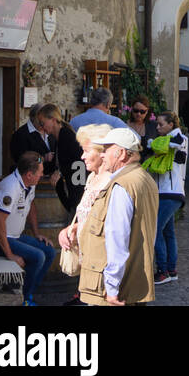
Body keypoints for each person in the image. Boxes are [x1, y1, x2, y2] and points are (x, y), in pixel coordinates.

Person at [78, 127, 159, 307]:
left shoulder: (122, 185)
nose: (103, 155)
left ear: (121, 153)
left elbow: (117, 238)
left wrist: (112, 287)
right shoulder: (144, 178)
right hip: (135, 280)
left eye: (106, 149)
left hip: (118, 287)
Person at [0, 152, 56, 307]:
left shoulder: (29, 184)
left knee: (49, 251)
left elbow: (31, 206)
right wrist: (10, 255)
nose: (42, 175)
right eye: (40, 172)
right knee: (38, 257)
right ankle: (24, 299)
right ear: (29, 175)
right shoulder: (10, 187)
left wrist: (37, 234)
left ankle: (29, 293)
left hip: (12, 236)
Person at [57, 124, 113, 305]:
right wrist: (71, 228)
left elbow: (111, 226)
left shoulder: (112, 183)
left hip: (103, 266)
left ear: (102, 152)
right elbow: (88, 217)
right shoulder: (92, 178)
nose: (82, 156)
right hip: (87, 262)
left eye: (87, 151)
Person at [143, 110, 188, 286]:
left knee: (155, 230)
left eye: (161, 124)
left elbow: (173, 143)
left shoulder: (179, 139)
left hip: (171, 193)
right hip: (164, 193)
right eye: (157, 124)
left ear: (171, 125)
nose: (158, 127)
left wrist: (152, 143)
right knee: (168, 232)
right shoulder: (165, 140)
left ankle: (162, 270)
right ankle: (171, 270)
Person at [36, 104, 85, 214]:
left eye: (42, 123)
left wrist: (60, 172)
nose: (41, 127)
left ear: (53, 120)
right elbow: (54, 165)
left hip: (76, 195)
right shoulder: (59, 138)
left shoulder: (67, 136)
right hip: (71, 196)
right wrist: (38, 162)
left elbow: (79, 161)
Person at [9, 107, 56, 179]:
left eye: (45, 118)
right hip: (32, 179)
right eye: (40, 119)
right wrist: (43, 158)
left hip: (52, 177)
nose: (43, 122)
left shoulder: (49, 131)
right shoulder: (21, 135)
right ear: (33, 117)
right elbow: (22, 161)